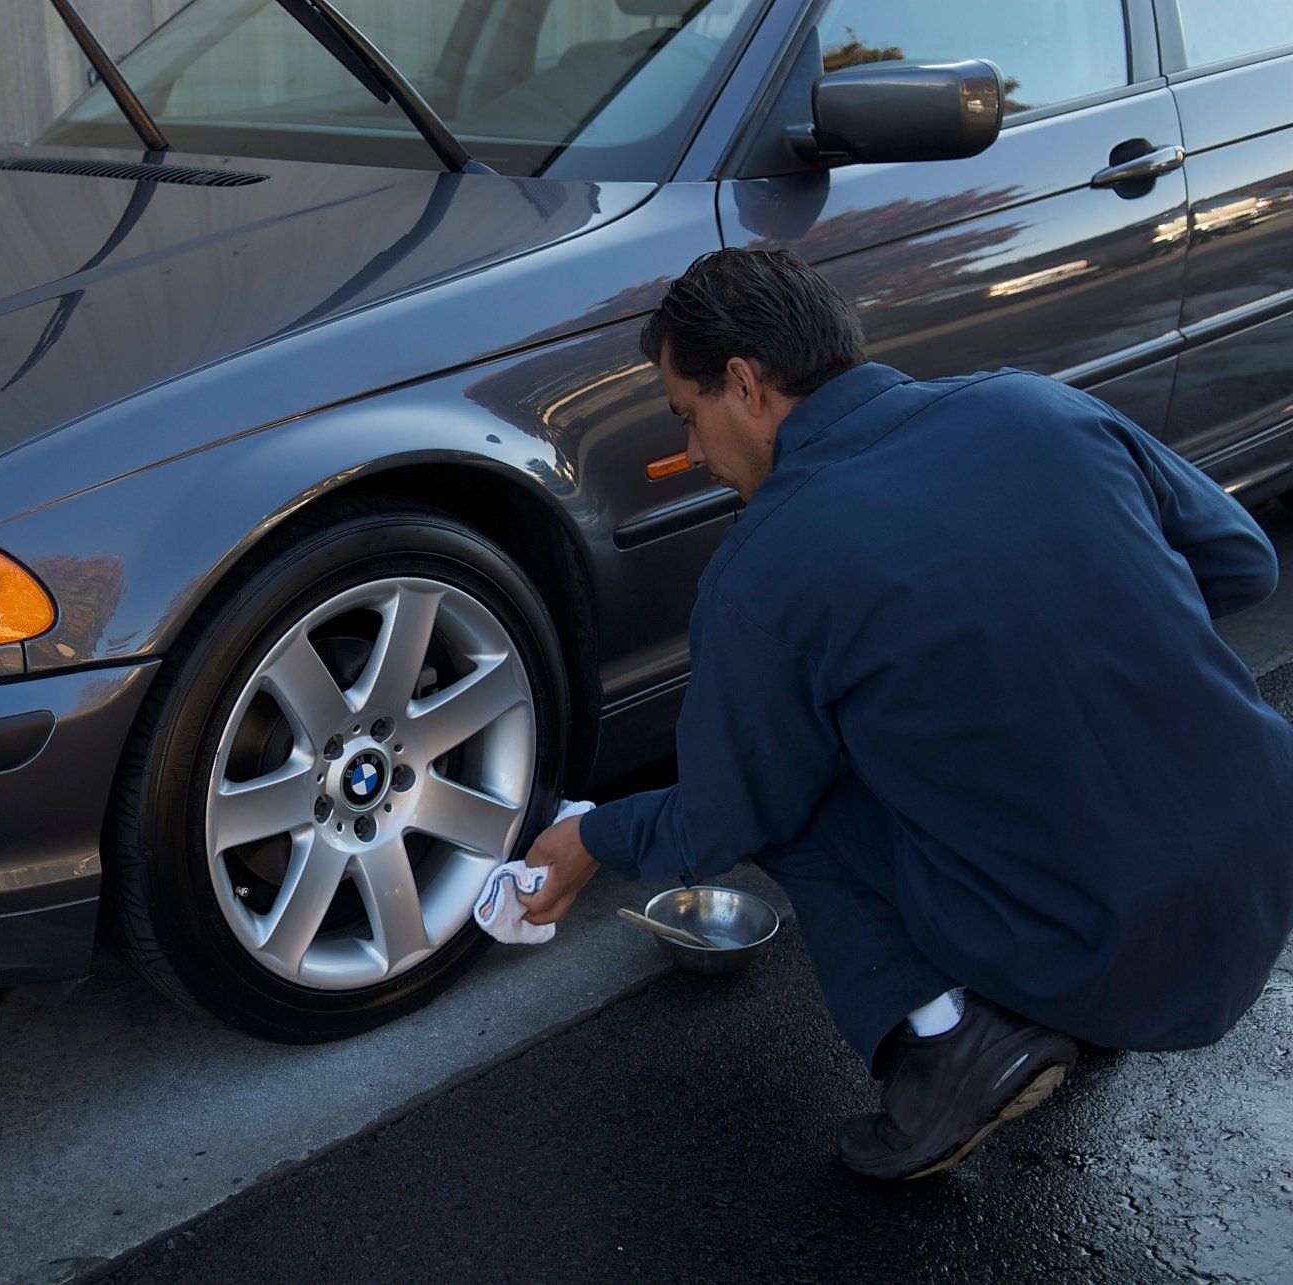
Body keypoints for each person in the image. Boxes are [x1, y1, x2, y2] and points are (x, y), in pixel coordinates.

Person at [517, 247, 1293, 1179]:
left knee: (793, 796)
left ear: (744, 383)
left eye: (689, 417)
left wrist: (595, 836)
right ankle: (1069, 997)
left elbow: (729, 812)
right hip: (1265, 864)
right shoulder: (1036, 405)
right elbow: (1248, 563)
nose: (690, 452)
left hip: (1107, 948)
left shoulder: (769, 565)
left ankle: (948, 1045)